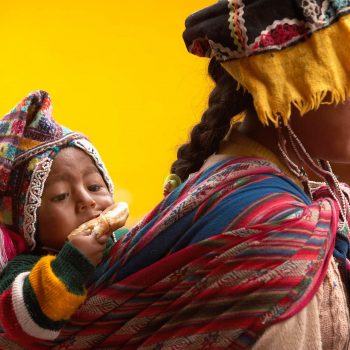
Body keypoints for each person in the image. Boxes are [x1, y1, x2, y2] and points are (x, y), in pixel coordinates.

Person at [2, 1, 350, 349]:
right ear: (283, 80)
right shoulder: (275, 226)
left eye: (94, 185)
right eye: (347, 72)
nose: (86, 201)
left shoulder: (260, 193)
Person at [0, 90, 128, 345]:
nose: (87, 201)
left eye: (94, 186)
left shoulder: (127, 238)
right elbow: (23, 321)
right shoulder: (25, 268)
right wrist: (72, 263)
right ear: (28, 222)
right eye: (61, 196)